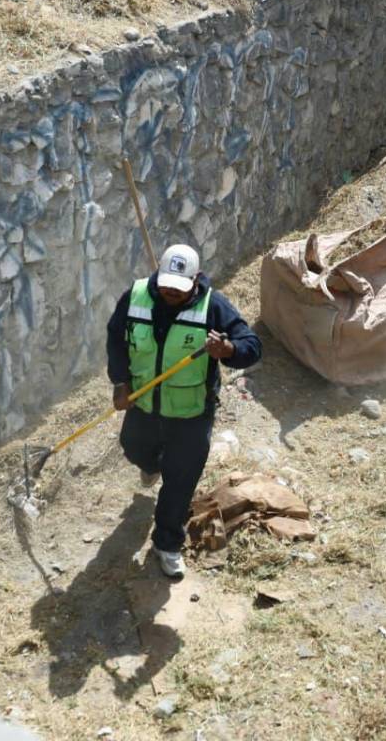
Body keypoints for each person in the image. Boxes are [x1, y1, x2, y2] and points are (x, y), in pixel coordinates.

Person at [106, 244, 261, 578]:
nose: (169, 293)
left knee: (180, 482)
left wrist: (228, 349)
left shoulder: (213, 307)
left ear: (196, 280)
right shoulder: (135, 297)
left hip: (191, 413)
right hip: (145, 405)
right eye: (165, 286)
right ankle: (151, 465)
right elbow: (115, 338)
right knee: (133, 448)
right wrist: (120, 382)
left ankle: (167, 544)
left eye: (178, 289)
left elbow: (252, 347)